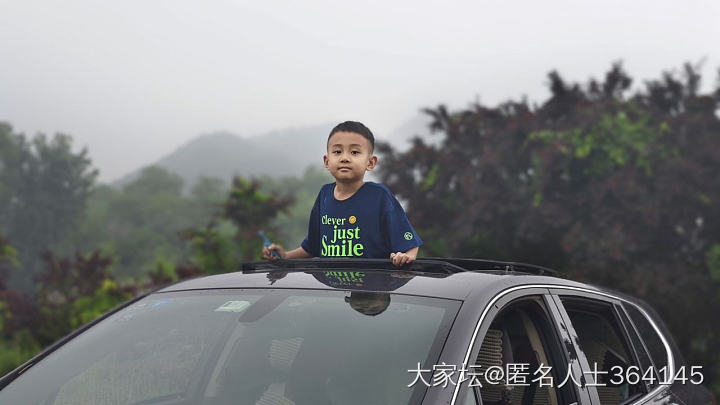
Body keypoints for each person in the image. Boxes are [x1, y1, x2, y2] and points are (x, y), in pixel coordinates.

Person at [263, 121, 422, 266]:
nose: (344, 158)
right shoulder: (324, 195)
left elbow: (409, 244)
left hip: (373, 290)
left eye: (354, 152)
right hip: (333, 293)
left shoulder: (379, 196)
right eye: (338, 151)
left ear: (371, 162)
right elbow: (312, 247)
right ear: (327, 161)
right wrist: (284, 256)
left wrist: (405, 257)